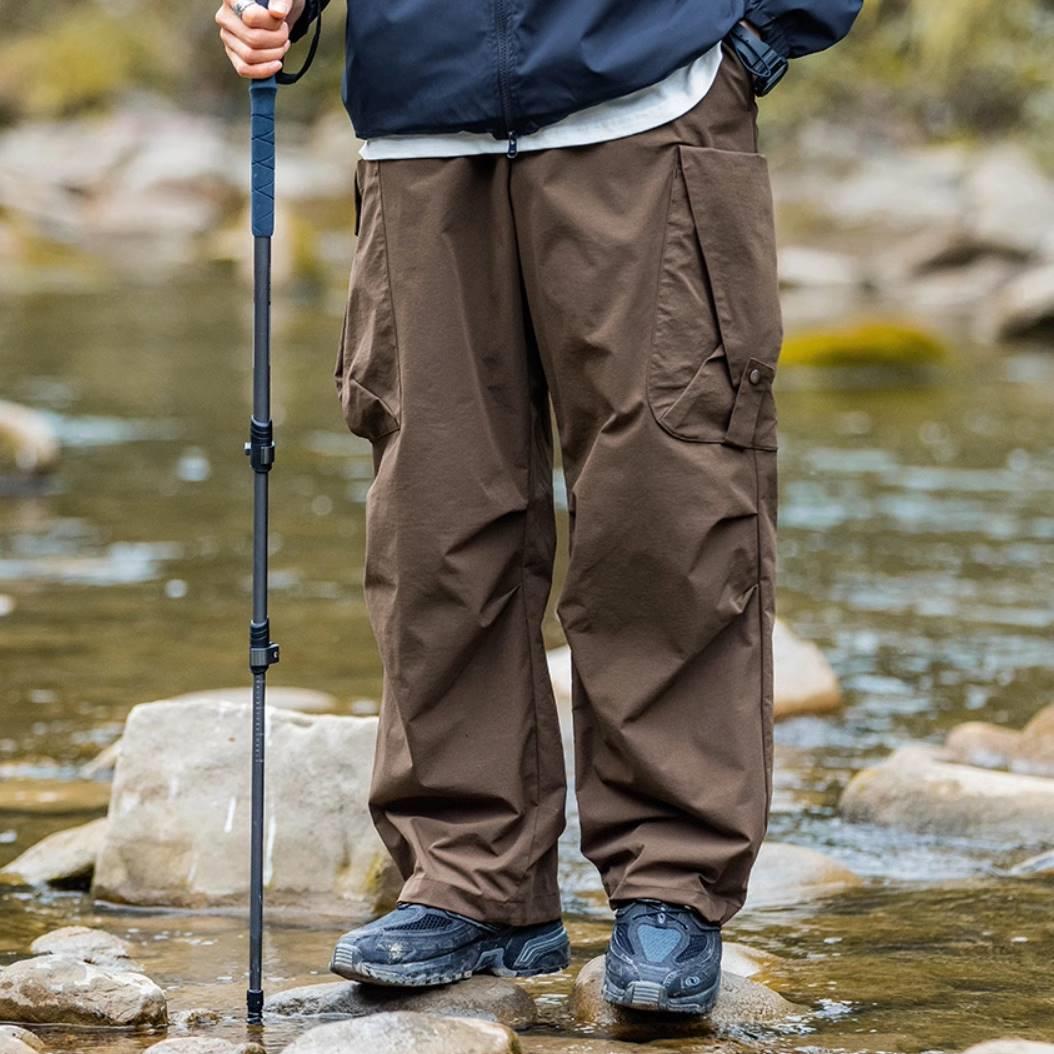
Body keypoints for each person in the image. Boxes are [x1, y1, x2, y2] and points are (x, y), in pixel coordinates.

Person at [216, 0, 861, 1015]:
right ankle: (472, 880)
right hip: (418, 117)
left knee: (669, 503)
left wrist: (763, 35)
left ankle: (670, 881)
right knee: (434, 520)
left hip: (649, 98)